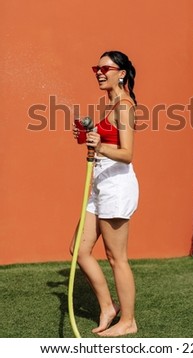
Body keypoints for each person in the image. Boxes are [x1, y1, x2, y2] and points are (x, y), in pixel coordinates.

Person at [70, 50, 139, 337]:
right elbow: (105, 141)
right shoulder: (108, 104)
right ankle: (108, 307)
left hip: (117, 185)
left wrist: (98, 146)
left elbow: (127, 153)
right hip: (100, 184)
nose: (99, 72)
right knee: (79, 251)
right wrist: (87, 137)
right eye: (96, 68)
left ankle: (128, 322)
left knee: (115, 257)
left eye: (105, 68)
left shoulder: (124, 105)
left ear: (121, 73)